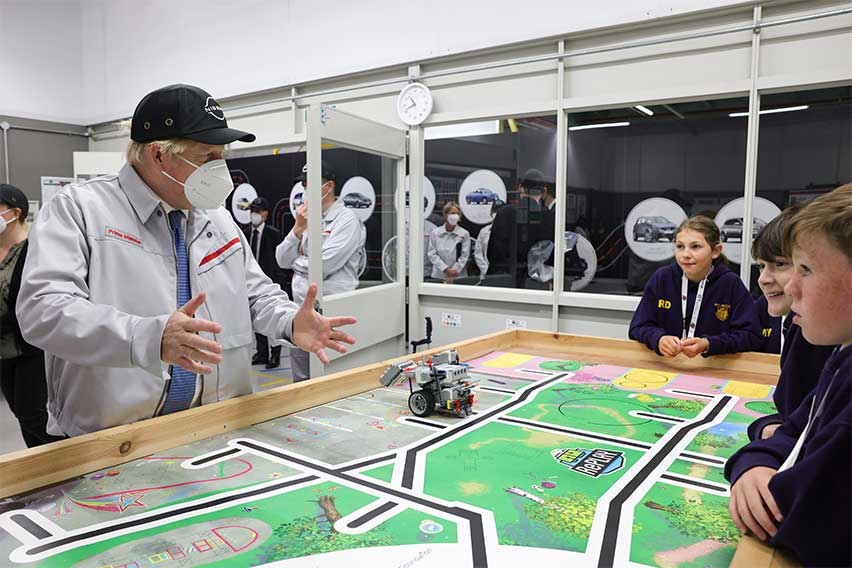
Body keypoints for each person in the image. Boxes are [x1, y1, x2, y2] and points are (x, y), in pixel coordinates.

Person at [16, 84, 356, 438]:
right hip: (113, 439)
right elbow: (43, 310)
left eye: (221, 155)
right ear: (158, 154)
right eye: (206, 156)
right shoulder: (81, 209)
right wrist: (147, 337)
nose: (219, 169)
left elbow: (254, 294)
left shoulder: (216, 217)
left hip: (216, 427)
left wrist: (289, 322)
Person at [725, 184, 851, 567]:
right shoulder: (843, 358)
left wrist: (760, 463)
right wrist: (752, 464)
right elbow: (796, 424)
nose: (788, 285)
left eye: (805, 269)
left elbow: (796, 515)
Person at [748, 206, 836, 441]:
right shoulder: (797, 323)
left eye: (780, 264)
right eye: (761, 266)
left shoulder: (823, 333)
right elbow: (797, 415)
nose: (763, 279)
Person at [276, 164, 366, 382]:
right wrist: (297, 229)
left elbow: (324, 265)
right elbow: (281, 259)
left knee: (329, 377)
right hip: (300, 310)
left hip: (332, 310)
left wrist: (297, 262)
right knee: (301, 378)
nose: (306, 189)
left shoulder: (347, 220)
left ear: (329, 186)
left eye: (311, 184)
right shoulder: (306, 218)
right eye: (304, 185)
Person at [629, 215, 761, 357]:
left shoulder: (730, 284)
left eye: (695, 247)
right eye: (680, 246)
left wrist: (710, 344)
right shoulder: (662, 278)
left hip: (714, 369)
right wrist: (658, 339)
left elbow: (751, 336)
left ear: (715, 251)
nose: (685, 254)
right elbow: (637, 327)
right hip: (669, 366)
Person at [0, 185, 64, 447]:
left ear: (15, 213)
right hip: (5, 352)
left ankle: (57, 474)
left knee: (35, 416)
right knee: (20, 413)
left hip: (31, 349)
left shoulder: (34, 249)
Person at [244, 196, 285, 369]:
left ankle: (275, 355)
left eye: (257, 211)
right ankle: (261, 353)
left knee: (273, 318)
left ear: (265, 214)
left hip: (271, 280)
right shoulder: (245, 233)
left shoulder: (273, 234)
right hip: (252, 283)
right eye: (252, 210)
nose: (254, 214)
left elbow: (280, 260)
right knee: (257, 319)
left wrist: (278, 279)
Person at [427, 201, 471, 283]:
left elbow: (464, 255)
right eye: (452, 213)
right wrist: (446, 269)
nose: (455, 216)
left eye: (457, 214)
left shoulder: (464, 233)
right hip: (439, 275)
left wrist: (454, 270)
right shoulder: (435, 233)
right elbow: (432, 254)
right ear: (445, 215)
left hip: (459, 275)